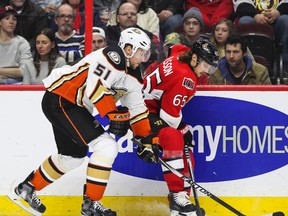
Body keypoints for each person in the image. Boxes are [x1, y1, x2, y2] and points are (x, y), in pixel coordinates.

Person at [8, 27, 155, 216]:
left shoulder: (133, 76)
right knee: (106, 146)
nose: (144, 58)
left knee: (72, 158)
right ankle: (91, 205)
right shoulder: (111, 57)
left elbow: (137, 110)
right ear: (128, 49)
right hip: (62, 99)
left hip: (69, 104)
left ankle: (26, 189)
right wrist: (113, 114)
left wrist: (148, 141)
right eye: (141, 52)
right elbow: (96, 88)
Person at [137, 40, 219, 216]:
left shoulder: (182, 54)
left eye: (211, 68)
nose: (207, 71)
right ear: (195, 58)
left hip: (149, 108)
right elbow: (168, 117)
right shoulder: (186, 79)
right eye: (206, 66)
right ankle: (176, 196)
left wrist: (184, 130)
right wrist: (182, 129)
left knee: (186, 147)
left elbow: (174, 47)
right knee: (174, 138)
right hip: (143, 113)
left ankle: (183, 203)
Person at [233, 0, 288, 73]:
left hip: (277, 19)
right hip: (254, 19)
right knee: (244, 20)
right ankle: (246, 65)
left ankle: (284, 66)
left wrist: (279, 12)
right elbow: (240, 4)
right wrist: (255, 15)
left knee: (285, 20)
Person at [0, 6, 31, 84]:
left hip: (16, 84)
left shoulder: (22, 43)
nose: (11, 22)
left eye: (14, 19)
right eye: (7, 18)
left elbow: (25, 71)